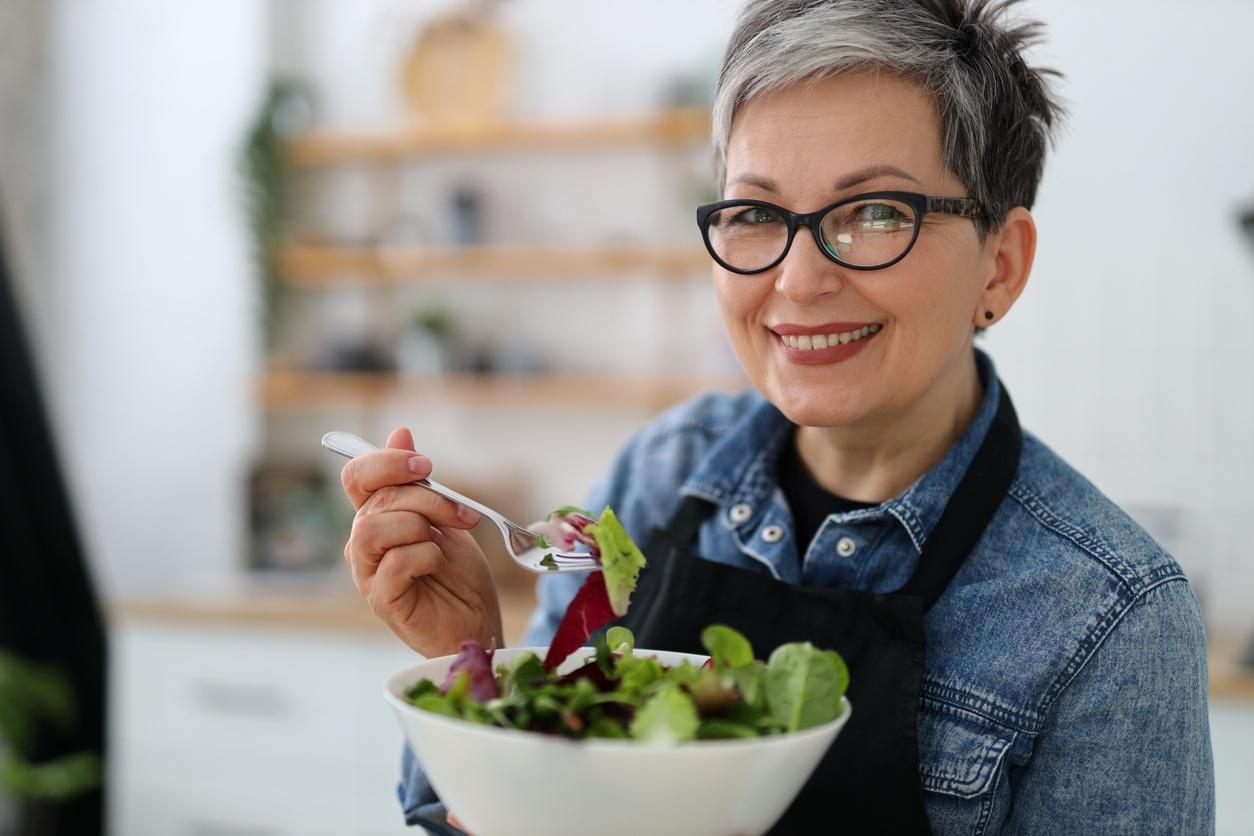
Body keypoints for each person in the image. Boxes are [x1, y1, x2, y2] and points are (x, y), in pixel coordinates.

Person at [338, 0, 1215, 832]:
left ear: (1000, 266)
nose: (798, 280)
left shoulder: (1110, 617)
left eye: (876, 213)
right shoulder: (659, 474)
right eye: (757, 213)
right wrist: (474, 665)